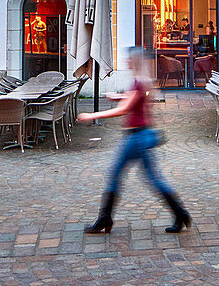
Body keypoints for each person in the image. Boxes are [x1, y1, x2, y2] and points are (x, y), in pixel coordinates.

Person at [77, 47, 191, 235]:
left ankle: (105, 218)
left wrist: (93, 115)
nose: (126, 62)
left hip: (136, 138)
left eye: (129, 59)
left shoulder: (139, 83)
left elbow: (124, 109)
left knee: (116, 175)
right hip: (140, 136)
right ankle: (180, 213)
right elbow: (134, 101)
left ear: (135, 61)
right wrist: (118, 96)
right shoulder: (142, 82)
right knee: (152, 179)